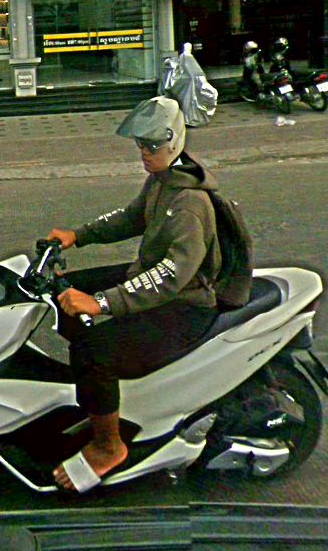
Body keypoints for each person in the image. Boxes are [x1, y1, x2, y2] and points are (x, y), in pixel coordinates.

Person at [46, 96, 222, 493]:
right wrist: (78, 235)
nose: (144, 152)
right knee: (68, 294)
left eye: (152, 145)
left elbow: (170, 276)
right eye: (141, 144)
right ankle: (100, 398)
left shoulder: (189, 203)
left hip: (184, 306)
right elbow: (131, 217)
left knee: (92, 349)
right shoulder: (163, 180)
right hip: (156, 284)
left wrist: (102, 303)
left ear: (173, 142)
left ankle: (109, 445)